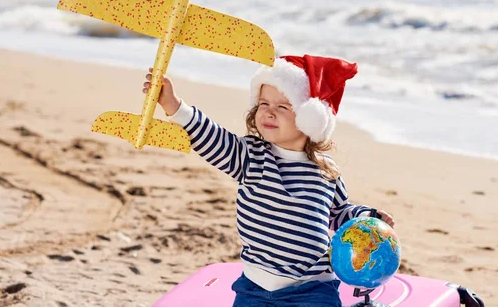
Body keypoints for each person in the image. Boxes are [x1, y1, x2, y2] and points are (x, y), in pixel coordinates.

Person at [142, 54, 395, 307]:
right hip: (255, 287)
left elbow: (339, 213)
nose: (269, 112)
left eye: (283, 107)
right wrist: (175, 106)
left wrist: (367, 216)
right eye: (263, 104)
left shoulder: (325, 170)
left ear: (310, 119)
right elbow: (213, 137)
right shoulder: (252, 157)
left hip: (312, 288)